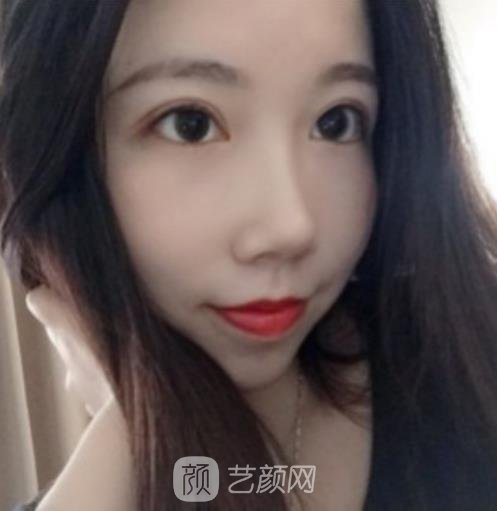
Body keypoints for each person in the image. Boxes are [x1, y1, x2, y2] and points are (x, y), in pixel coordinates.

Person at [2, 0, 497, 510]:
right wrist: (133, 427)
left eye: (336, 123)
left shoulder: (470, 364)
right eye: (190, 124)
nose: (292, 227)